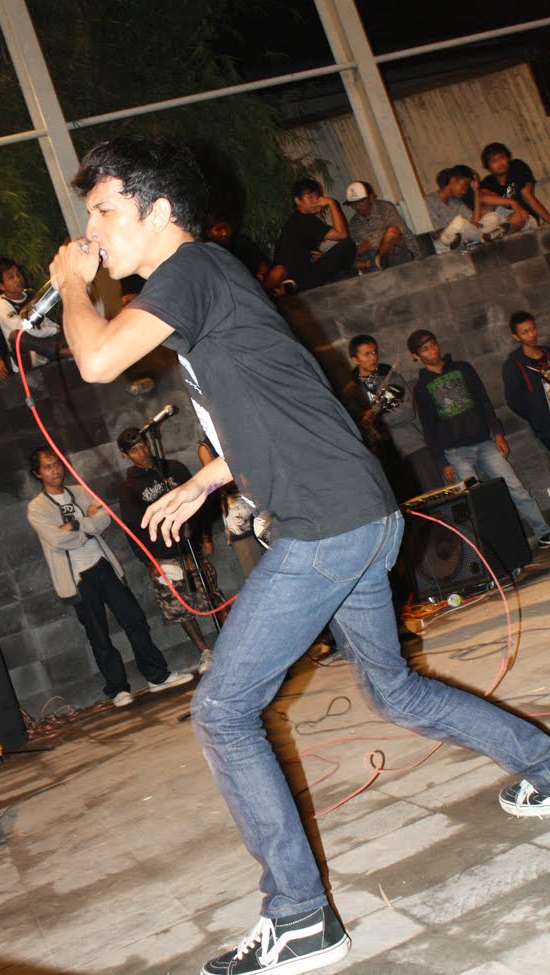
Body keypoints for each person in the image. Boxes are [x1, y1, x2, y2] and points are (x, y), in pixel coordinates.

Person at [49, 134, 550, 975]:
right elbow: (285, 404)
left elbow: (97, 358)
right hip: (356, 513)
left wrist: (72, 282)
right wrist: (207, 479)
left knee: (222, 711)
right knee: (392, 688)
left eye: (104, 209)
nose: (92, 229)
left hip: (327, 525)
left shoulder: (188, 271)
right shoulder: (209, 281)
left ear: (158, 210)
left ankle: (302, 918)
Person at [27, 445, 193, 708]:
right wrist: (87, 524)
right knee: (98, 635)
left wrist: (75, 524)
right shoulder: (37, 508)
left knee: (135, 619)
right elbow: (56, 539)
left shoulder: (80, 491)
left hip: (103, 565)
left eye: (57, 464)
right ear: (38, 473)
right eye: (48, 467)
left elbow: (105, 518)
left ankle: (157, 676)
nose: (55, 470)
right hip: (77, 577)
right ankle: (118, 689)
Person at [408, 328, 550, 548]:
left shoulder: (463, 368)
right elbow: (429, 427)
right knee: (475, 502)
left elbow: (484, 402)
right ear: (416, 356)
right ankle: (494, 549)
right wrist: (441, 461)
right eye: (425, 349)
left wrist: (497, 433)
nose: (432, 351)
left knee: (515, 487)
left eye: (433, 344)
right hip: (455, 452)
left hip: (484, 442)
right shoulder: (421, 387)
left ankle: (543, 531)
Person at [117, 427, 219, 674]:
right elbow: (133, 529)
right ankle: (205, 652)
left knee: (212, 595)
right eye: (134, 450)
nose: (142, 451)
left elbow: (202, 500)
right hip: (163, 554)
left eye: (143, 444)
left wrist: (205, 535)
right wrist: (149, 561)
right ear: (125, 455)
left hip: (190, 544)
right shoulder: (129, 488)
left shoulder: (173, 468)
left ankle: (232, 641)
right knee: (180, 607)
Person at [342, 334, 442, 501]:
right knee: (407, 503)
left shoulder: (392, 377)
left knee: (436, 496)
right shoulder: (351, 392)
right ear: (355, 359)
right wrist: (382, 415)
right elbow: (358, 425)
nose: (373, 357)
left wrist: (376, 417)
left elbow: (408, 412)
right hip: (385, 456)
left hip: (412, 445)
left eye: (374, 352)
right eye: (366, 354)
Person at [263, 177, 357, 295]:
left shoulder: (298, 219)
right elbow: (342, 234)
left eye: (317, 196)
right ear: (298, 201)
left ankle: (293, 286)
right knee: (348, 245)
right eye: (310, 197)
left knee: (342, 256)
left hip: (302, 272)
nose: (316, 200)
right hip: (300, 276)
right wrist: (332, 203)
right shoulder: (304, 221)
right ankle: (294, 287)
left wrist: (321, 256)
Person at [197, 437, 264, 578]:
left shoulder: (236, 433)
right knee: (255, 572)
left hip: (262, 506)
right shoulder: (206, 447)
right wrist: (242, 478)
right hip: (238, 517)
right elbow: (214, 484)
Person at [0, 257, 72, 371]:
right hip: (28, 355)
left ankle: (60, 351)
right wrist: (53, 330)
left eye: (18, 274)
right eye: (11, 277)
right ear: (1, 286)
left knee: (68, 329)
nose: (18, 279)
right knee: (17, 336)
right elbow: (25, 328)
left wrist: (58, 329)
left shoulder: (30, 294)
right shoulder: (0, 304)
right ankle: (59, 352)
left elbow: (43, 319)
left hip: (44, 342)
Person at [425, 165, 507, 251]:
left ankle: (475, 239)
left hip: (464, 239)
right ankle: (484, 237)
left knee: (493, 217)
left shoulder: (457, 202)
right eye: (464, 186)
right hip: (443, 244)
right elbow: (434, 235)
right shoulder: (429, 201)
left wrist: (476, 191)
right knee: (458, 222)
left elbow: (475, 223)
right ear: (453, 180)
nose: (464, 191)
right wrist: (463, 227)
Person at [503, 311, 550, 450]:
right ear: (516, 336)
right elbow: (513, 401)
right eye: (525, 332)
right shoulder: (513, 365)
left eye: (533, 328)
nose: (531, 335)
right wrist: (536, 414)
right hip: (546, 426)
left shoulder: (547, 352)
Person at [345, 180, 418, 270]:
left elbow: (401, 233)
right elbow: (359, 251)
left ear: (371, 198)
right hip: (373, 263)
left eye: (361, 202)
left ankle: (380, 261)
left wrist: (370, 244)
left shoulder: (385, 208)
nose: (357, 207)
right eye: (353, 204)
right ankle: (377, 263)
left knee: (392, 232)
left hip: (397, 255)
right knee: (344, 257)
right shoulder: (353, 223)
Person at [479, 142, 550, 232]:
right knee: (485, 209)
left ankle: (498, 232)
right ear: (488, 167)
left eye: (502, 157)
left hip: (525, 216)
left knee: (516, 217)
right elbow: (482, 198)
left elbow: (528, 197)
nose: (500, 163)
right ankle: (494, 232)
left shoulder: (517, 167)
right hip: (504, 218)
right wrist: (513, 202)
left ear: (508, 158)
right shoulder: (488, 182)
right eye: (493, 161)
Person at [206, 212, 270, 283]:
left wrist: (262, 275)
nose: (224, 233)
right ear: (209, 233)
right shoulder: (206, 251)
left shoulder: (242, 242)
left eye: (226, 227)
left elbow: (262, 263)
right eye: (218, 229)